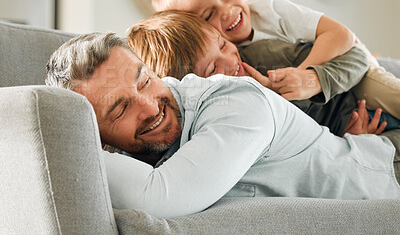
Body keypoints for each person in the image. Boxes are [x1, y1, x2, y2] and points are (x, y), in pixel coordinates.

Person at [45, 32, 400, 219]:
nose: (150, 106)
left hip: (387, 178)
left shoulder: (236, 104)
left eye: (144, 81)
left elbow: (160, 199)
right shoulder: (130, 154)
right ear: (102, 139)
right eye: (121, 109)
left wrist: (67, 141)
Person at [151, 0, 400, 119]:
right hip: (335, 102)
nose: (227, 12)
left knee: (391, 96)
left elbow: (341, 35)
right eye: (208, 15)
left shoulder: (270, 9)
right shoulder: (224, 64)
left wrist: (304, 75)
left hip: (354, 63)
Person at [127, 10, 400, 136]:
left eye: (223, 44)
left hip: (361, 98)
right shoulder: (225, 119)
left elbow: (354, 54)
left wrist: (311, 79)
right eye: (212, 69)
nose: (229, 59)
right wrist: (351, 142)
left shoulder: (262, 57)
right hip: (360, 132)